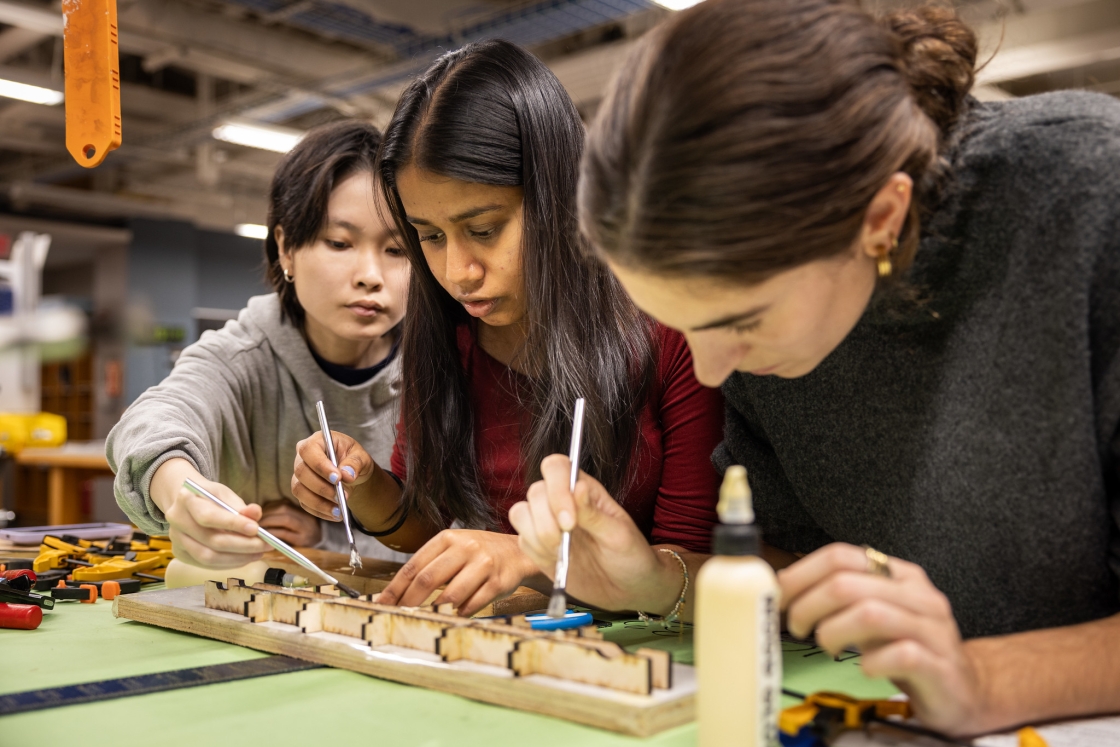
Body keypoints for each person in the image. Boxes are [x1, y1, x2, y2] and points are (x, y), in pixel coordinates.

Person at [515, 0, 1120, 736]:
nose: (710, 371)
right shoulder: (768, 319)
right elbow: (799, 572)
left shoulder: (1090, 200)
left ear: (879, 221)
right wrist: (653, 578)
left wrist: (985, 679)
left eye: (740, 321)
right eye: (683, 324)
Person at [291, 40, 725, 618]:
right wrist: (365, 485)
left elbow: (691, 567)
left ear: (560, 199)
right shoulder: (446, 334)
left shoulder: (669, 333)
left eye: (485, 229)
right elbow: (430, 530)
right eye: (430, 235)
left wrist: (532, 556)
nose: (456, 273)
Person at [107, 120, 411, 568]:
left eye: (398, 249)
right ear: (286, 248)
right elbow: (153, 420)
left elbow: (462, 530)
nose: (371, 274)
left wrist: (323, 536)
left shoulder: (447, 368)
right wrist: (180, 493)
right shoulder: (244, 354)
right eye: (339, 242)